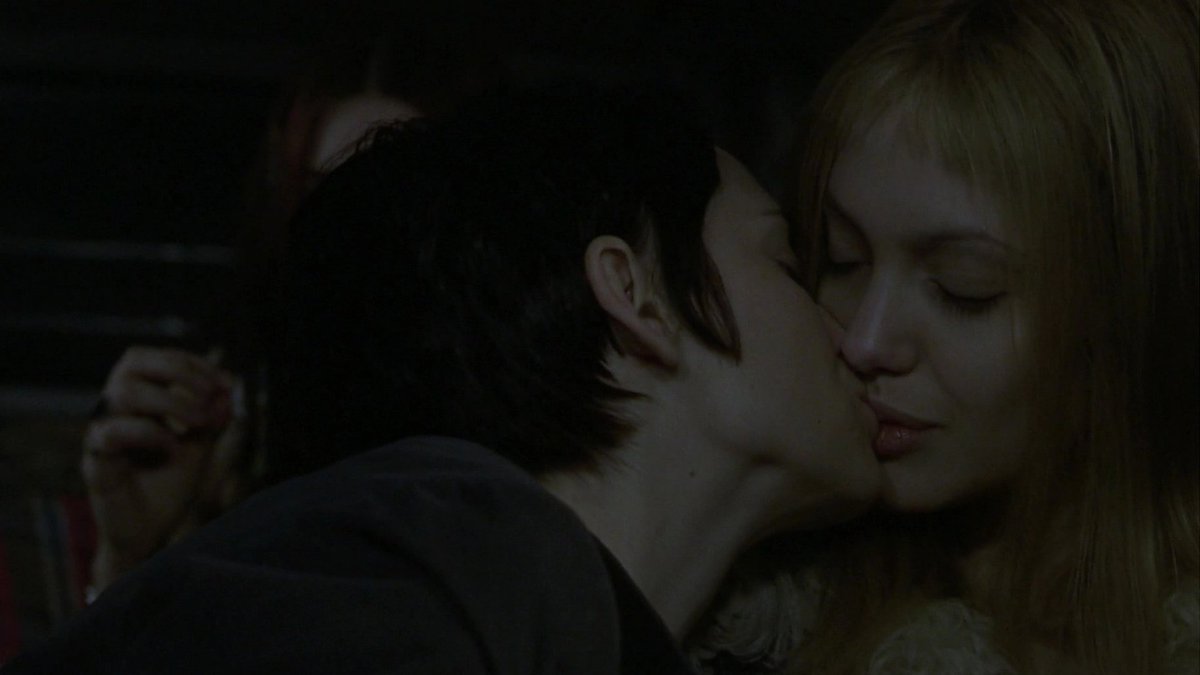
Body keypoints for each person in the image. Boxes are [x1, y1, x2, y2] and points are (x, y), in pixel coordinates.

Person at [5, 83, 881, 673]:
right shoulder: (421, 573)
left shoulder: (478, 588)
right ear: (636, 294)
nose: (854, 333)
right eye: (787, 264)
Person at [692, 0, 1199, 673]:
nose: (865, 341)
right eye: (841, 259)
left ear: (1133, 313)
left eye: (965, 289)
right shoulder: (753, 613)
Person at [79, 27, 505, 595]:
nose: (362, 240)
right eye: (329, 195)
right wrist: (130, 557)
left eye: (400, 196)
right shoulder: (224, 436)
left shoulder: (525, 462)